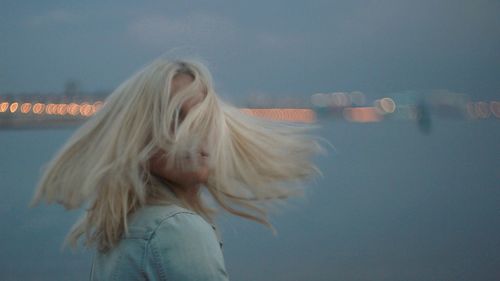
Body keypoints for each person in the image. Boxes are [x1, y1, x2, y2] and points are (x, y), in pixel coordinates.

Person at [31, 58, 322, 280]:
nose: (195, 132)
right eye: (176, 116)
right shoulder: (175, 229)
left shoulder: (124, 227)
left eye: (203, 117)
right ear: (138, 133)